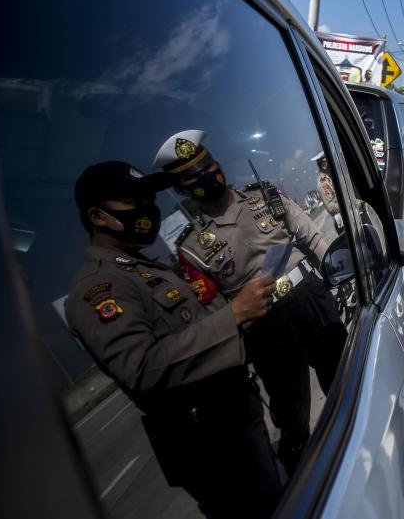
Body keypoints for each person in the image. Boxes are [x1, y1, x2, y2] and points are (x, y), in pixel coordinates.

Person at [65, 161, 282, 518]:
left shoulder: (142, 267)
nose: (147, 207)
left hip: (233, 421)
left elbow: (191, 326)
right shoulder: (99, 286)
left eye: (148, 197)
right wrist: (234, 315)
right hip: (211, 446)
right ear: (98, 217)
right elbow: (143, 367)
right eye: (133, 200)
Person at [152, 130, 348, 476]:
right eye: (193, 177)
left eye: (208, 166)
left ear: (218, 165)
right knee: (294, 413)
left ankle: (352, 447)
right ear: (181, 190)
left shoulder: (267, 196)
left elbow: (312, 238)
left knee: (343, 382)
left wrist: (343, 275)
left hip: (311, 300)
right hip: (266, 327)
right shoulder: (191, 246)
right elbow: (211, 307)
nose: (207, 177)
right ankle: (301, 476)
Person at [312, 151, 344, 234]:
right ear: (323, 165)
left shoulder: (333, 175)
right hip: (343, 222)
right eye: (328, 160)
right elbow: (331, 207)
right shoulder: (323, 183)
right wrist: (348, 204)